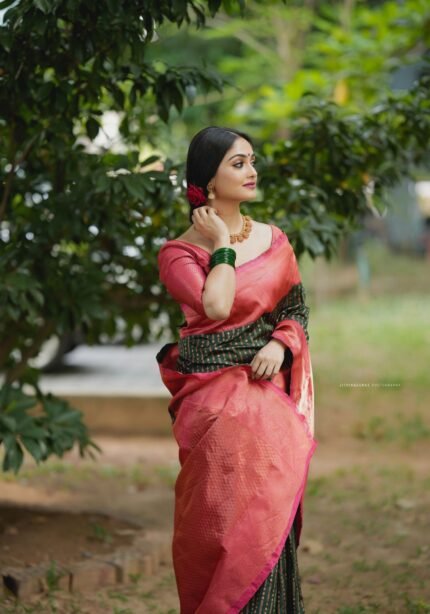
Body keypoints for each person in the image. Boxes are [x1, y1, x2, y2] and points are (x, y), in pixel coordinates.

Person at [156, 126, 317, 613]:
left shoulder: (275, 240)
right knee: (222, 530)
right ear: (207, 180)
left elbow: (296, 310)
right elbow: (217, 304)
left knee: (268, 523)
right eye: (238, 163)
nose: (252, 171)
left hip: (267, 399)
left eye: (252, 160)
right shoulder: (179, 253)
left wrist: (281, 343)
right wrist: (222, 240)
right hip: (212, 407)